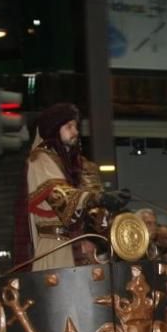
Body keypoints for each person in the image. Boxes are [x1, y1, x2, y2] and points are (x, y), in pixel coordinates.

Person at [26, 102, 111, 271]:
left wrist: (104, 205)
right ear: (54, 128)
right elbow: (59, 195)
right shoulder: (40, 159)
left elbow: (94, 210)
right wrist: (95, 198)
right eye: (69, 126)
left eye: (76, 126)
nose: (76, 132)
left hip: (85, 247)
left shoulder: (80, 164)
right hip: (56, 246)